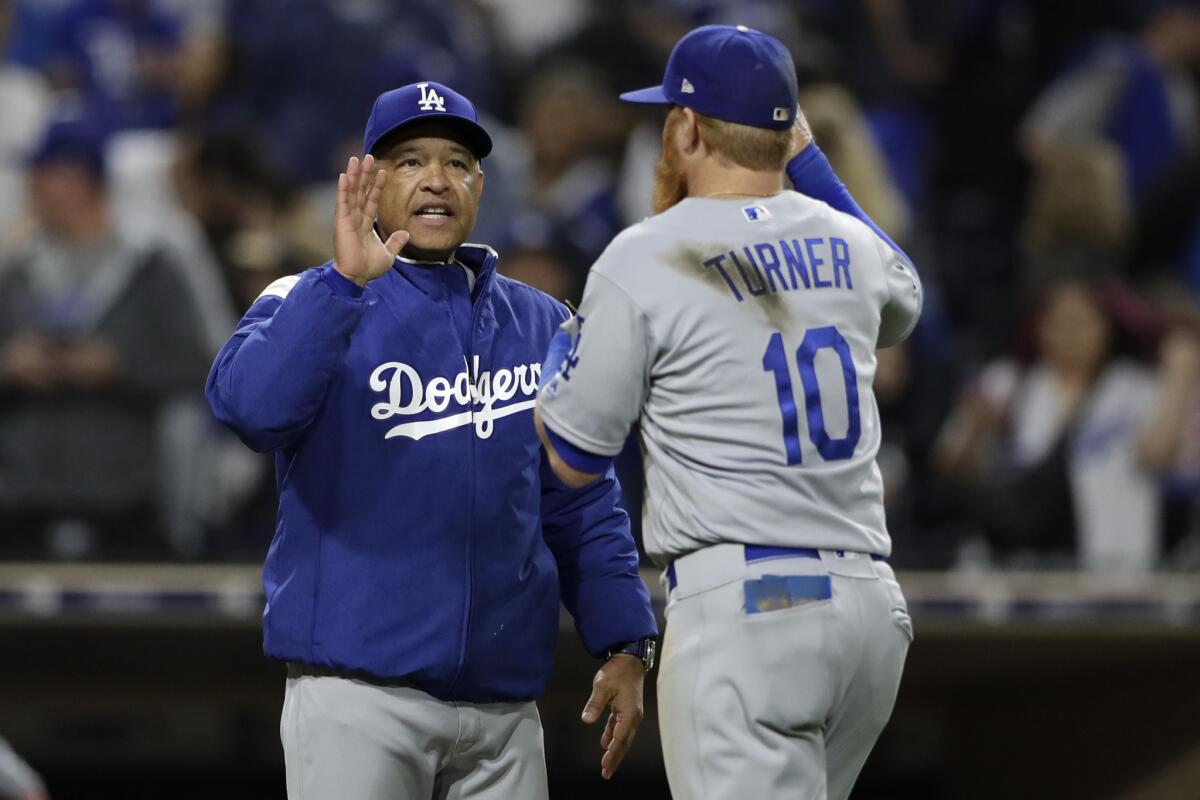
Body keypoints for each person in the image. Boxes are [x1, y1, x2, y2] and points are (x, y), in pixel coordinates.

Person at [205, 81, 657, 799]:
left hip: (504, 710)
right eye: (411, 161)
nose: (437, 180)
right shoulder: (307, 297)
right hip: (359, 700)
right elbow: (249, 410)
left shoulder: (543, 324)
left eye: (456, 162)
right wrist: (344, 286)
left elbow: (582, 501)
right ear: (371, 180)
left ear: (480, 184)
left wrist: (625, 641)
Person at [535, 25, 922, 799]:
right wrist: (806, 162)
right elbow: (904, 292)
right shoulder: (852, 242)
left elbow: (573, 459)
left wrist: (559, 349)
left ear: (685, 127)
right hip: (870, 614)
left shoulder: (647, 253)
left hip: (752, 610)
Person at [0, 118, 210, 559]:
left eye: (44, 174)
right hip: (23, 497)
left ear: (79, 180)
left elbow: (197, 363)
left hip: (124, 498)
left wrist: (119, 366)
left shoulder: (149, 267)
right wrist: (10, 365)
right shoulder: (14, 270)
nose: (32, 187)